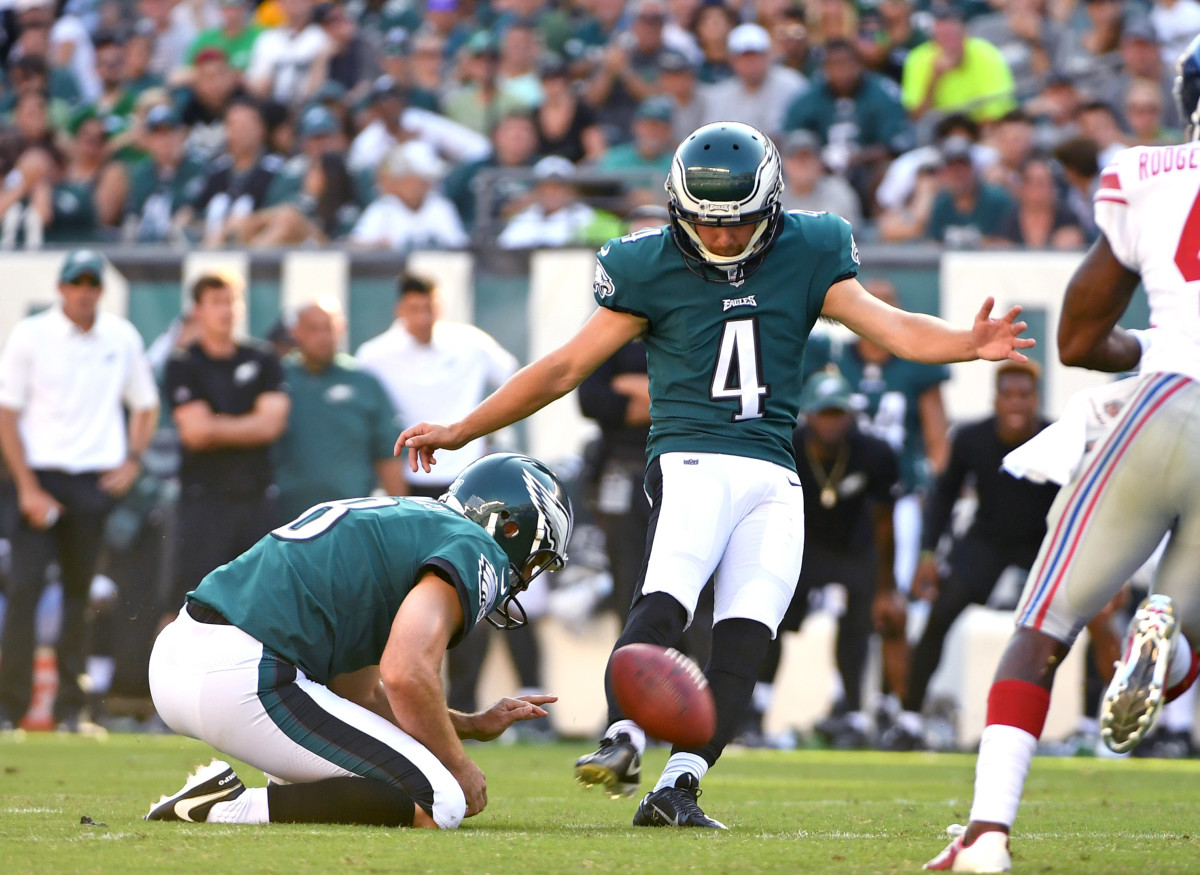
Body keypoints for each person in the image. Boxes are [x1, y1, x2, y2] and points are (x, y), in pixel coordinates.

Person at [397, 120, 1034, 829]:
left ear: (772, 206)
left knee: (745, 637)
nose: (724, 238)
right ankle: (622, 737)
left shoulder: (812, 247)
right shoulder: (646, 264)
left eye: (740, 223)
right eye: (707, 222)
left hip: (774, 473)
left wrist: (965, 344)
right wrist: (462, 428)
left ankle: (679, 786)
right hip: (692, 457)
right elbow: (564, 368)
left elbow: (891, 328)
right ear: (677, 206)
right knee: (664, 601)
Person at [924, 35, 1200, 873]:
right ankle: (1165, 631)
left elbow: (1079, 337)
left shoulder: (1147, 173)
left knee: (1042, 628)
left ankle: (987, 834)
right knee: (1184, 621)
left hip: (1168, 397)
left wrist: (1151, 341)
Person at [144, 452, 571, 828]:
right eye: (536, 561)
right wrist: (457, 763)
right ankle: (227, 807)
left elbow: (360, 694)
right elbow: (406, 672)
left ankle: (235, 803)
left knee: (372, 784)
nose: (526, 577)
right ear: (511, 529)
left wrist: (468, 725)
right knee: (442, 801)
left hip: (183, 657)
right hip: (244, 672)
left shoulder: (407, 522)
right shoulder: (473, 544)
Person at [0, 250, 159, 732]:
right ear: (61, 288)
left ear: (100, 290)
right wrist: (26, 485)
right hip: (39, 479)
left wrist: (132, 460)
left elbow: (145, 405)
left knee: (79, 595)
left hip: (92, 481)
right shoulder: (31, 335)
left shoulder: (120, 336)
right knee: (25, 590)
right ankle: (10, 709)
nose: (85, 290)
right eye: (77, 282)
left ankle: (71, 709)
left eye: (93, 282)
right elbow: (7, 414)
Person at [357, 270, 525, 716]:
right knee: (404, 595)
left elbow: (515, 381)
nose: (423, 317)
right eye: (414, 308)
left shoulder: (470, 342)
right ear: (400, 310)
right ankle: (400, 704)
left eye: (430, 306)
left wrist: (487, 438)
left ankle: (464, 702)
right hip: (408, 485)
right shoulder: (374, 355)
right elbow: (369, 419)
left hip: (468, 488)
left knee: (471, 589)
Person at [883, 361, 1059, 752]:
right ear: (995, 398)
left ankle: (1084, 721)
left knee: (1074, 619)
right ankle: (910, 716)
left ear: (1036, 399)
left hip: (1043, 542)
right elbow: (944, 496)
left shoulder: (1056, 437)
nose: (1016, 402)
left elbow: (1082, 499)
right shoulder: (971, 438)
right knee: (940, 614)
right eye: (1008, 394)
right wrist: (928, 554)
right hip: (987, 539)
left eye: (1024, 395)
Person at [741, 369, 903, 750]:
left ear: (850, 415)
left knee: (859, 622)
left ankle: (851, 710)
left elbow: (884, 523)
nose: (831, 422)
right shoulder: (786, 446)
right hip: (800, 543)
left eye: (838, 413)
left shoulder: (874, 453)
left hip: (854, 546)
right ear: (809, 414)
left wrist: (887, 586)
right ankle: (755, 708)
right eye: (824, 413)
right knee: (771, 618)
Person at [160, 274, 290, 618]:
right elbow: (195, 433)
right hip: (204, 501)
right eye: (217, 302)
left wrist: (216, 424)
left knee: (263, 603)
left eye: (232, 300)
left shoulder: (262, 357)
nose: (227, 310)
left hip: (256, 499)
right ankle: (170, 673)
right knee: (190, 604)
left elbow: (272, 424)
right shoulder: (183, 363)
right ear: (198, 310)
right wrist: (250, 424)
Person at [274, 298, 407, 521]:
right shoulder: (276, 379)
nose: (323, 337)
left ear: (342, 329)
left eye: (329, 328)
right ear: (296, 332)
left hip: (350, 520)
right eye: (313, 329)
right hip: (284, 519)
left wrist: (400, 518)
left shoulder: (364, 382)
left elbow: (389, 454)